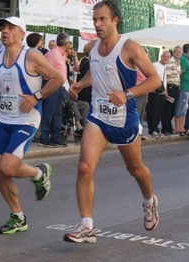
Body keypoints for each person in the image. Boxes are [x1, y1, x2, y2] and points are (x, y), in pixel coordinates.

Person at [63, 1, 161, 244]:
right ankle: (87, 226)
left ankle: (149, 201)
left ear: (115, 20)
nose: (97, 24)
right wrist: (80, 83)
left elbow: (155, 80)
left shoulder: (129, 48)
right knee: (85, 167)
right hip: (98, 116)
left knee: (135, 169)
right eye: (94, 20)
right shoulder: (91, 48)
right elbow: (95, 72)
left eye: (102, 19)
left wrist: (127, 94)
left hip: (123, 117)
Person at [0, 16, 64, 234]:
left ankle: (39, 174)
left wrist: (36, 96)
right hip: (5, 119)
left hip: (27, 120)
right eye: (3, 27)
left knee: (8, 166)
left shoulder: (32, 56)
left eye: (11, 27)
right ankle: (18, 217)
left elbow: (57, 78)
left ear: (22, 34)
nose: (5, 30)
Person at [39, 33, 72, 148]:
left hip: (59, 86)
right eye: (70, 44)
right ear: (66, 44)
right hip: (50, 84)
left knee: (57, 113)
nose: (70, 46)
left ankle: (55, 137)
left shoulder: (61, 54)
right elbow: (45, 71)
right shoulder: (53, 54)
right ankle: (44, 138)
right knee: (49, 111)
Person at [147, 50, 170, 138]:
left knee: (159, 112)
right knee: (153, 112)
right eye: (164, 56)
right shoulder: (155, 65)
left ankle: (156, 129)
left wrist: (166, 91)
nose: (165, 58)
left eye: (167, 57)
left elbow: (165, 80)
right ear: (161, 56)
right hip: (154, 92)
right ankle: (151, 130)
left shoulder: (165, 67)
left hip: (162, 92)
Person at [176, 43, 189, 136]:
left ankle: (181, 127)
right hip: (184, 87)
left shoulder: (187, 59)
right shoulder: (183, 59)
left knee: (183, 108)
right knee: (181, 107)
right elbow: (180, 73)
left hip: (188, 88)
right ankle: (178, 127)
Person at [162, 46, 181, 135]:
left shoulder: (179, 63)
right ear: (173, 52)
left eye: (179, 51)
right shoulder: (169, 62)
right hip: (170, 86)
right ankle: (165, 128)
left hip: (176, 87)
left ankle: (168, 126)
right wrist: (165, 89)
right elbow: (165, 76)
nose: (178, 53)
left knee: (173, 109)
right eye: (176, 51)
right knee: (167, 109)